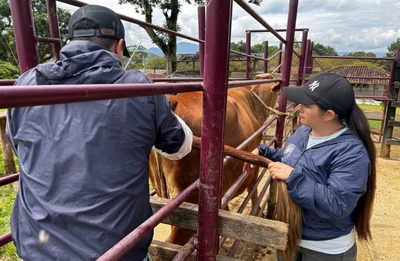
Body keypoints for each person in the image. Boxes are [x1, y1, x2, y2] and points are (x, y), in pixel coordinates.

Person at [6, 5, 193, 261]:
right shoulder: (138, 89)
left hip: (35, 248)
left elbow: (20, 149)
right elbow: (179, 147)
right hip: (116, 253)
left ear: (68, 42)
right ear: (119, 46)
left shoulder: (25, 84)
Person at [244, 72, 376, 261]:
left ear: (329, 115)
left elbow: (338, 204)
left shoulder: (351, 153)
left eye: (307, 105)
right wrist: (265, 152)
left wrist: (292, 177)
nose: (298, 108)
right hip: (290, 236)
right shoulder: (305, 132)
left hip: (324, 249)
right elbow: (291, 157)